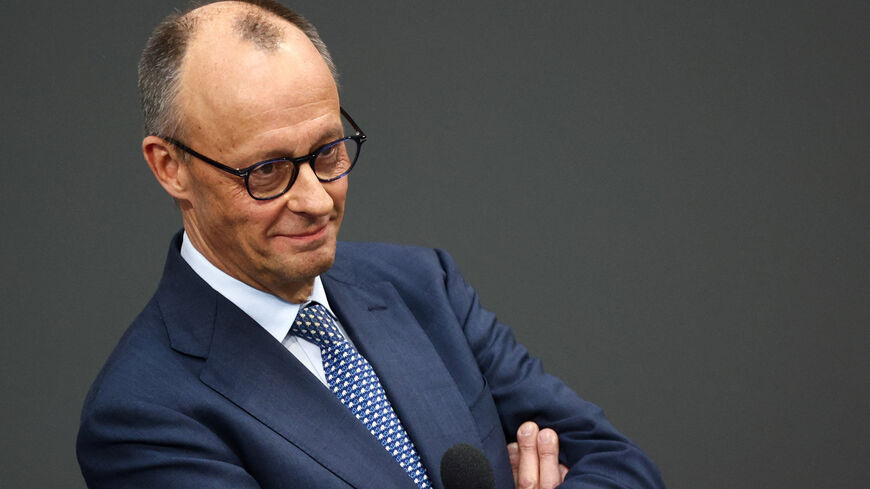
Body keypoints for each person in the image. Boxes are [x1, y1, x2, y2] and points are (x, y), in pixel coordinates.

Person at [76, 1, 666, 488]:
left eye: (328, 151)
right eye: (267, 170)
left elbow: (623, 468)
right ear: (170, 167)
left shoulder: (424, 286)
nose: (315, 199)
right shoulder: (142, 416)